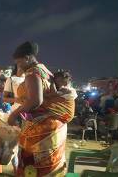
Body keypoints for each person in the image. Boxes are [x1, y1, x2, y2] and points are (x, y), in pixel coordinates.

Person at [8, 41, 75, 176]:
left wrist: (13, 115)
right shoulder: (45, 70)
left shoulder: (33, 73)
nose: (18, 66)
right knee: (49, 165)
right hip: (55, 126)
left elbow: (35, 100)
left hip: (42, 129)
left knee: (34, 167)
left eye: (19, 62)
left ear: (27, 58)